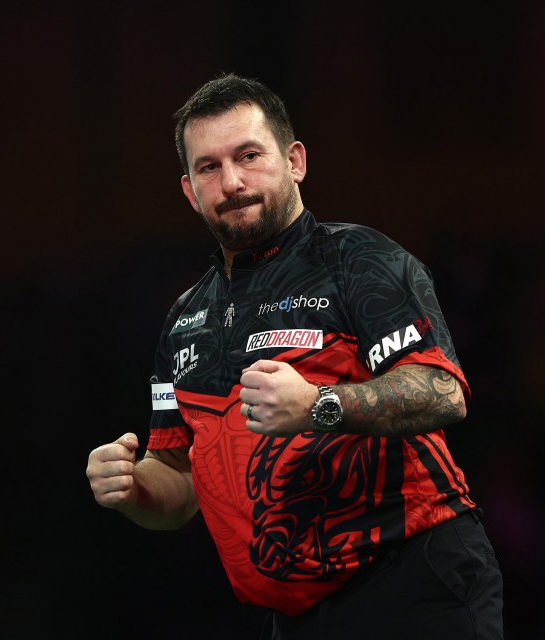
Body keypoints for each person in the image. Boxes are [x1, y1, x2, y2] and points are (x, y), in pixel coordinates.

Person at [86, 72, 504, 639]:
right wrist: (132, 488)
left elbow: (441, 392)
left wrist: (318, 405)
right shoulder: (183, 319)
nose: (231, 182)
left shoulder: (361, 261)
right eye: (209, 167)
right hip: (294, 619)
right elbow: (179, 484)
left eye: (248, 155)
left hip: (414, 583)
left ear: (295, 161)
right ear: (189, 190)